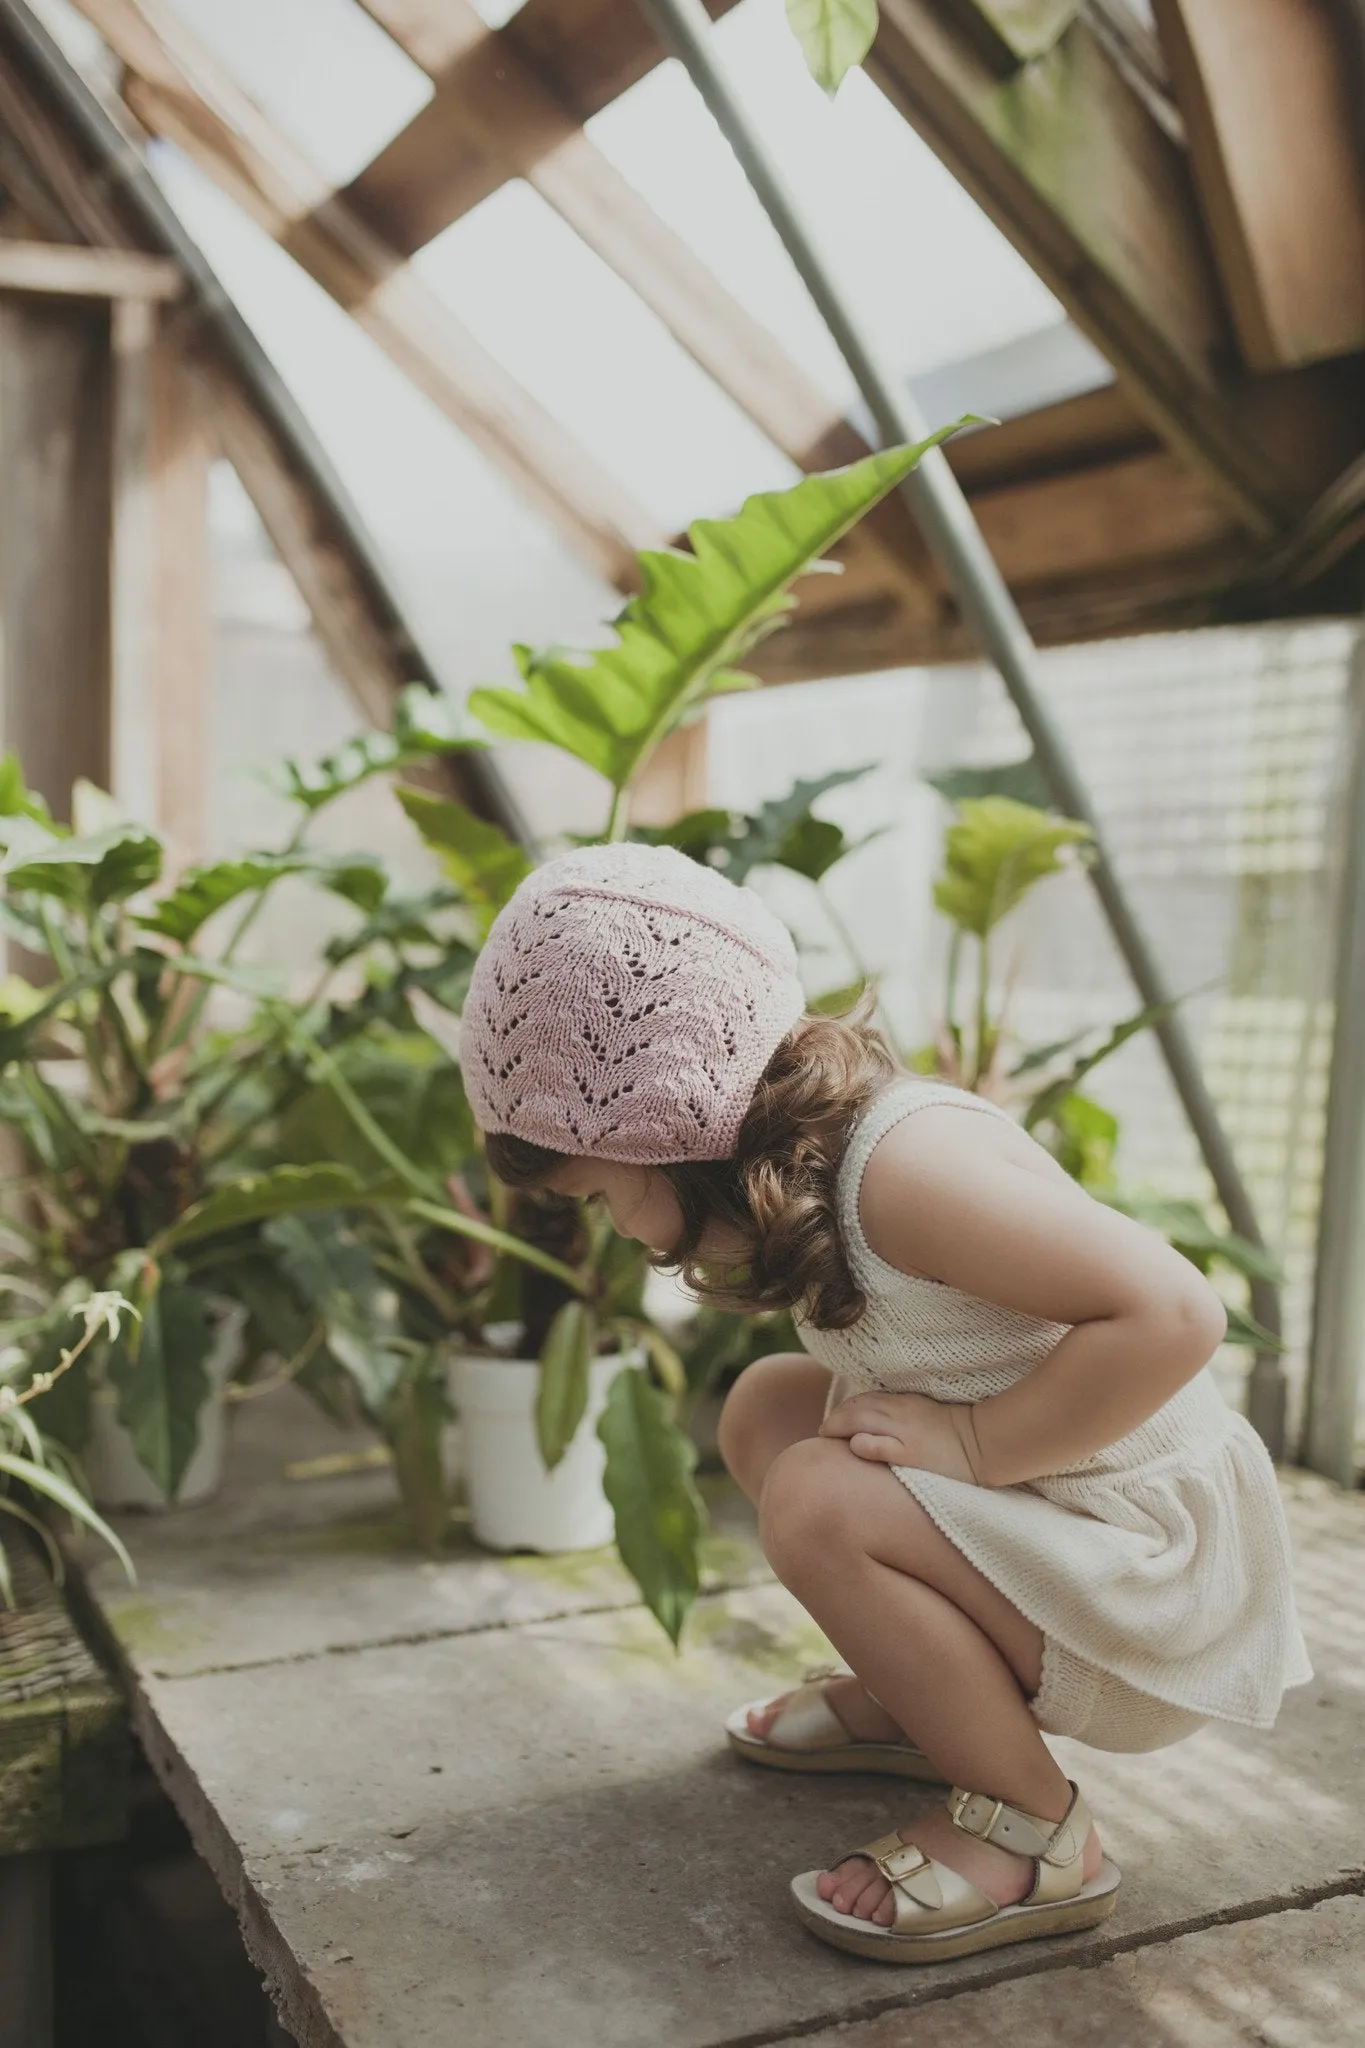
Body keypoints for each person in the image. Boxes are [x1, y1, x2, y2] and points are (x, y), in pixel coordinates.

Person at [459, 842, 1311, 1967]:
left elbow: (1174, 1313)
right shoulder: (822, 1156)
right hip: (1065, 1533)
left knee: (816, 1494)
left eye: (602, 1191)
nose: (612, 1227)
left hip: (1151, 1588)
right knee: (771, 1409)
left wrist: (975, 1440)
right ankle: (930, 1703)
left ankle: (1031, 1828)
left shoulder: (906, 1171)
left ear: (670, 1122)